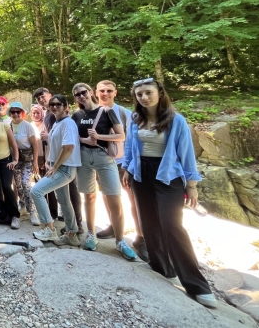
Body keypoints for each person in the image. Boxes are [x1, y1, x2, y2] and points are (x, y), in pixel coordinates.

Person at [124, 78, 216, 308]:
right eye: (139, 95)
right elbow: (130, 147)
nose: (144, 98)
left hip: (168, 176)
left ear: (160, 93)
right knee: (148, 223)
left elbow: (186, 153)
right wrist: (127, 169)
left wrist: (191, 185)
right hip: (140, 175)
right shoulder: (135, 119)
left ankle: (197, 285)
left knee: (171, 225)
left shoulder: (176, 120)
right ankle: (161, 267)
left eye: (148, 93)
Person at [71, 83, 137, 260]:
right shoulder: (76, 115)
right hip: (84, 158)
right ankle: (91, 233)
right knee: (89, 197)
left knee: (114, 198)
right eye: (77, 95)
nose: (81, 96)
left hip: (104, 157)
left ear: (91, 92)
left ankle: (120, 240)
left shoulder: (107, 111)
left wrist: (99, 137)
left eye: (84, 92)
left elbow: (121, 136)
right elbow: (74, 137)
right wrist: (84, 139)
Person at [95, 80, 149, 262]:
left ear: (115, 92)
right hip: (102, 162)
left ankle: (141, 237)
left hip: (123, 164)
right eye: (102, 90)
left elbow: (134, 141)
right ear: (96, 92)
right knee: (108, 198)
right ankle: (113, 226)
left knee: (134, 200)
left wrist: (129, 165)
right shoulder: (94, 112)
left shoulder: (125, 113)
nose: (105, 94)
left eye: (109, 90)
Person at [30, 95, 81, 246]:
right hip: (58, 166)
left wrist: (55, 166)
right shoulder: (58, 123)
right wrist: (49, 161)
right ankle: (72, 234)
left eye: (59, 104)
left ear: (66, 107)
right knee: (64, 201)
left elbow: (68, 147)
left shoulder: (68, 123)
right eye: (52, 104)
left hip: (64, 168)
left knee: (36, 191)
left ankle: (49, 229)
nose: (54, 106)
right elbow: (57, 146)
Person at [8, 102, 40, 226]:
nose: (16, 114)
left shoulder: (27, 126)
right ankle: (21, 205)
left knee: (26, 184)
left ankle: (32, 210)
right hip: (14, 160)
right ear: (10, 113)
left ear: (22, 113)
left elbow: (35, 145)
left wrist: (35, 162)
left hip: (26, 159)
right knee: (17, 185)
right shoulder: (8, 126)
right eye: (13, 112)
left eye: (18, 112)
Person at [30, 104, 58, 220]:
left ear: (42, 113)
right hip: (36, 158)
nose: (36, 115)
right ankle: (43, 212)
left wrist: (48, 159)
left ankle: (53, 212)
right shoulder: (30, 126)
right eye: (34, 113)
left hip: (47, 157)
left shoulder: (46, 125)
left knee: (49, 186)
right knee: (38, 185)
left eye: (38, 112)